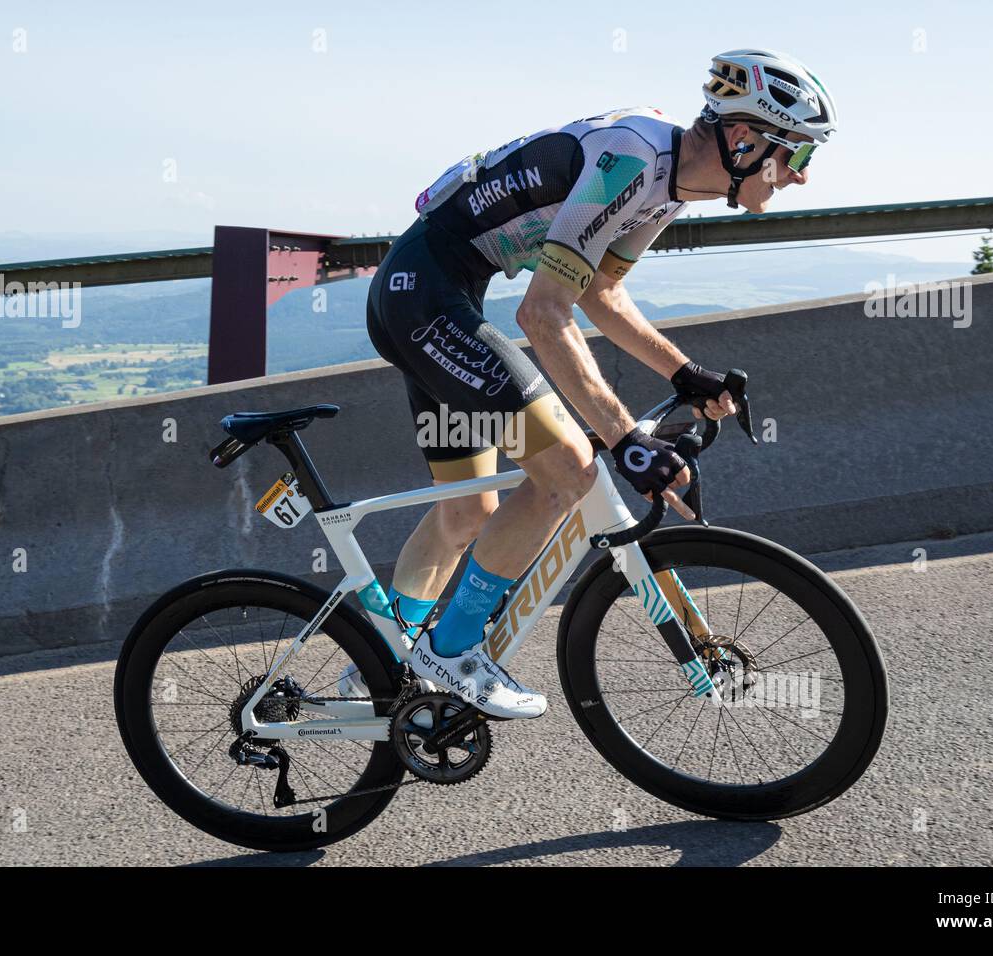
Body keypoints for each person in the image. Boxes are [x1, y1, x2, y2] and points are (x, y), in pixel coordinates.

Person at [356, 49, 838, 719]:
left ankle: (380, 653)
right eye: (799, 156)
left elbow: (600, 290)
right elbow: (544, 315)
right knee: (568, 471)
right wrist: (624, 441)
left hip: (431, 293)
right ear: (745, 138)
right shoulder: (633, 160)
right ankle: (454, 646)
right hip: (426, 297)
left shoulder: (669, 183)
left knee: (468, 515)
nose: (802, 177)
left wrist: (680, 371)